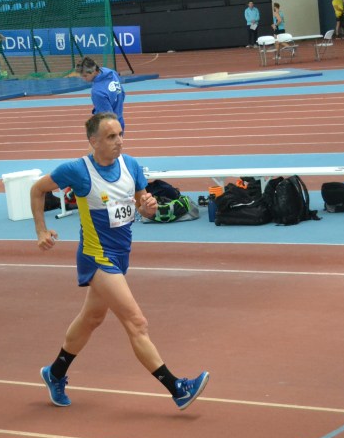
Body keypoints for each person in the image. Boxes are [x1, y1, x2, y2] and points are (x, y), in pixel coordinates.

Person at [29, 113, 210, 411]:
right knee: (137, 322)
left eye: (121, 134)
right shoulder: (78, 170)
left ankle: (55, 373)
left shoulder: (131, 166)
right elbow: (37, 189)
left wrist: (149, 205)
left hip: (121, 255)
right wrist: (41, 231)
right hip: (96, 257)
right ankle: (177, 388)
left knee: (91, 319)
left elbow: (145, 208)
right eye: (111, 137)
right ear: (94, 141)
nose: (119, 141)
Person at [77, 56, 125, 131]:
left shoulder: (97, 92)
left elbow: (107, 117)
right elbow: (122, 93)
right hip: (120, 120)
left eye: (85, 76)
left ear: (93, 71)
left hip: (109, 127)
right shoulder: (110, 72)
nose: (83, 79)